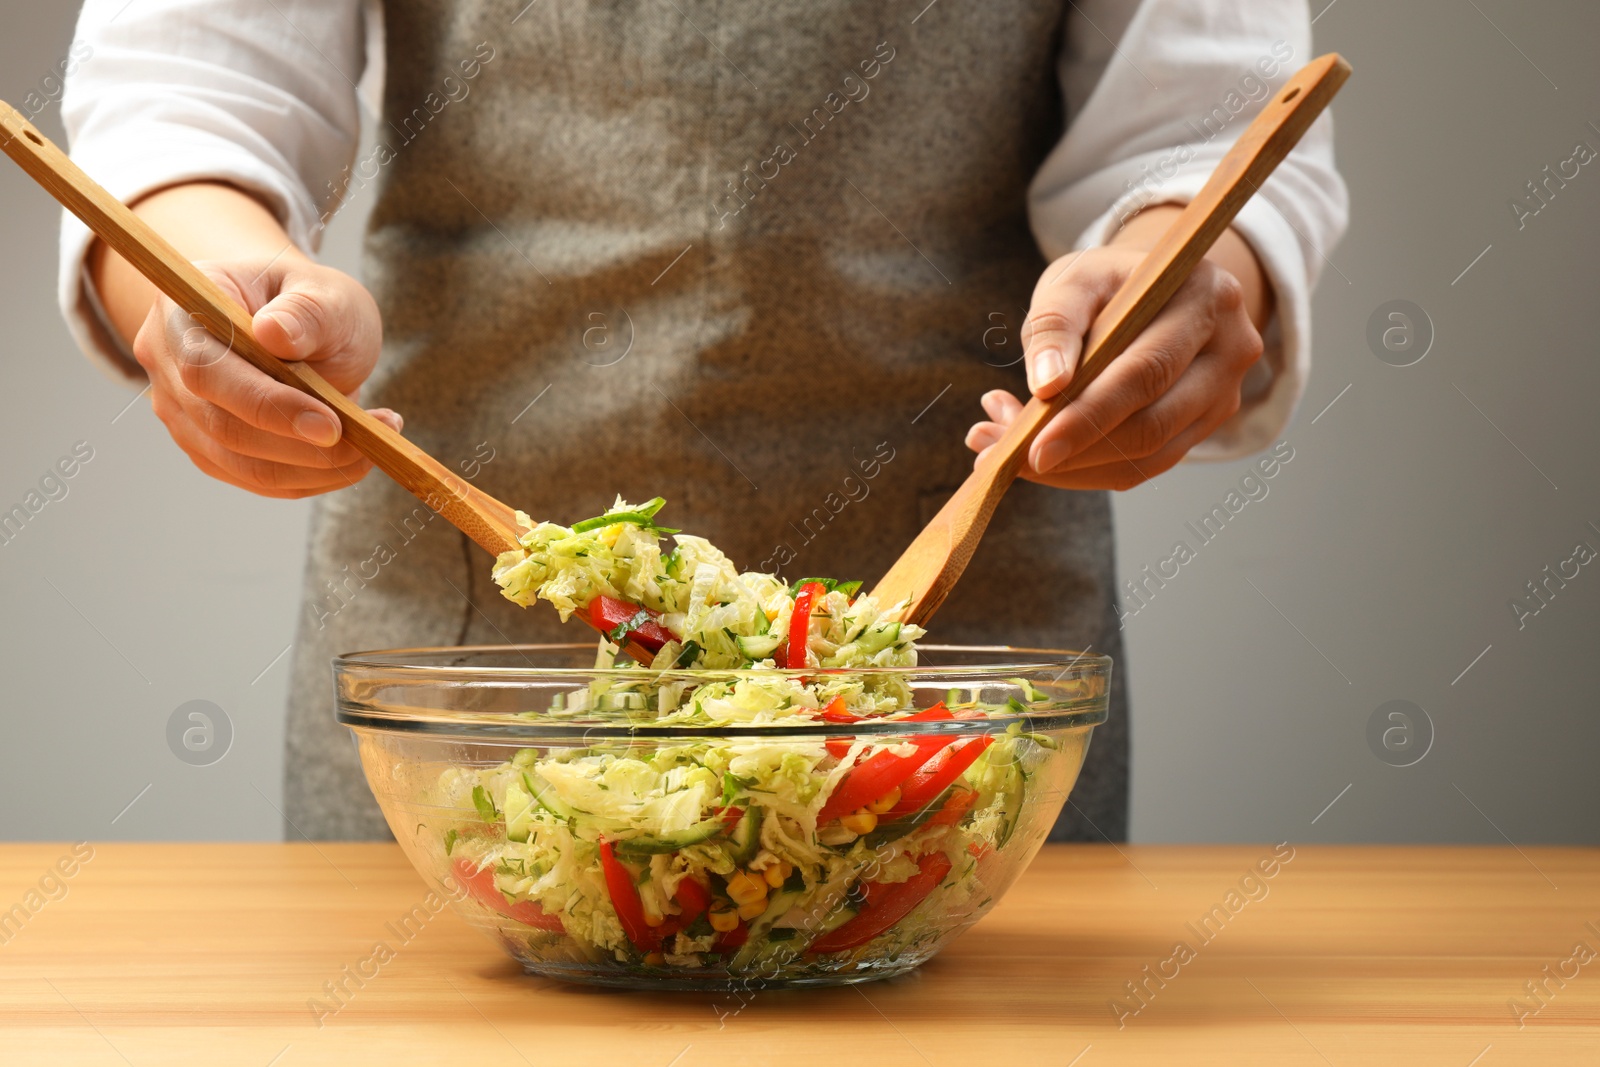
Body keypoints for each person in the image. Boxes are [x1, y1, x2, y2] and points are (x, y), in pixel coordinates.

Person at [58, 0, 1346, 841]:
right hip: (466, 685)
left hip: (954, 688)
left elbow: (1196, 127)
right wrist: (215, 295)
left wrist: (1191, 273)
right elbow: (188, 92)